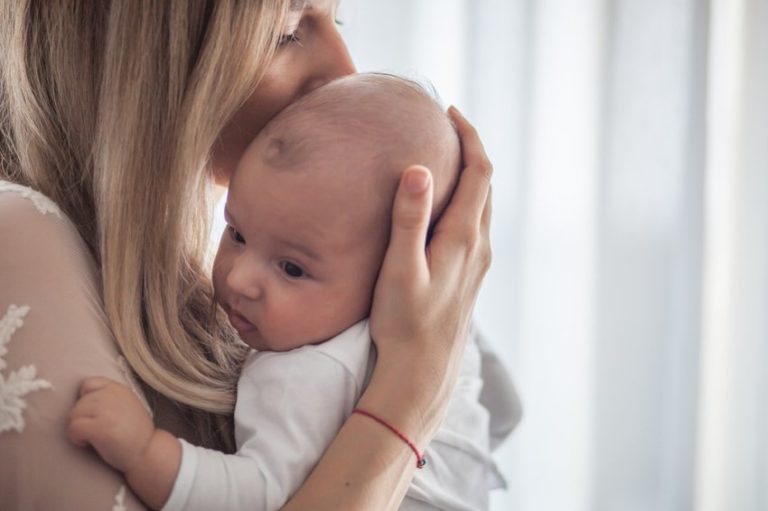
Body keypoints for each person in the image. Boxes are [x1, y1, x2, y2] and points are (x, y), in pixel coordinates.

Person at [0, 1, 520, 509]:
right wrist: (411, 386)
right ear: (143, 57)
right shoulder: (21, 237)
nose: (345, 71)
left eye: (336, 19)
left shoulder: (310, 291)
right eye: (286, 33)